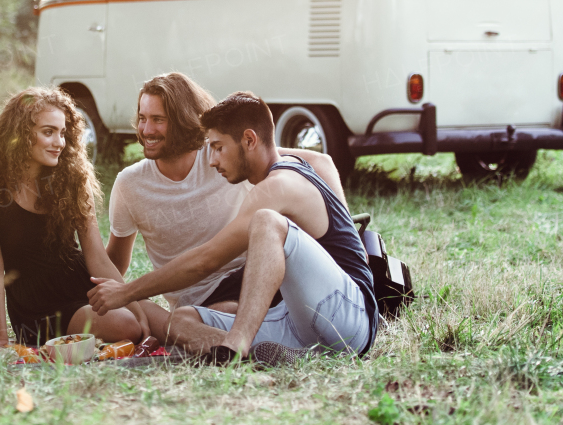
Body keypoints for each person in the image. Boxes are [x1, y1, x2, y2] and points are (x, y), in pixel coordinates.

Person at [88, 91, 377, 366]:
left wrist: (126, 292)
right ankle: (266, 356)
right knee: (181, 319)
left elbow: (207, 260)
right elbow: (323, 160)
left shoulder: (276, 187)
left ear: (249, 140)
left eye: (218, 148)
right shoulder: (293, 165)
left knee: (267, 222)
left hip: (349, 321)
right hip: (297, 321)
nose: (212, 160)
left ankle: (235, 346)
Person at [0, 87, 148, 347]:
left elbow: (96, 256)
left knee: (157, 321)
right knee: (126, 325)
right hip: (36, 304)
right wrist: (1, 335)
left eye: (62, 133)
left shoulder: (72, 177)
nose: (59, 142)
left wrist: (130, 301)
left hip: (82, 283)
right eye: (48, 132)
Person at [106, 73, 274, 332]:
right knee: (141, 306)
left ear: (184, 120)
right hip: (195, 305)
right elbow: (115, 263)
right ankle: (219, 329)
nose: (147, 130)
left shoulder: (222, 154)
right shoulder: (130, 184)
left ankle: (227, 329)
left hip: (251, 280)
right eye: (142, 118)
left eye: (158, 120)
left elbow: (308, 162)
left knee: (218, 313)